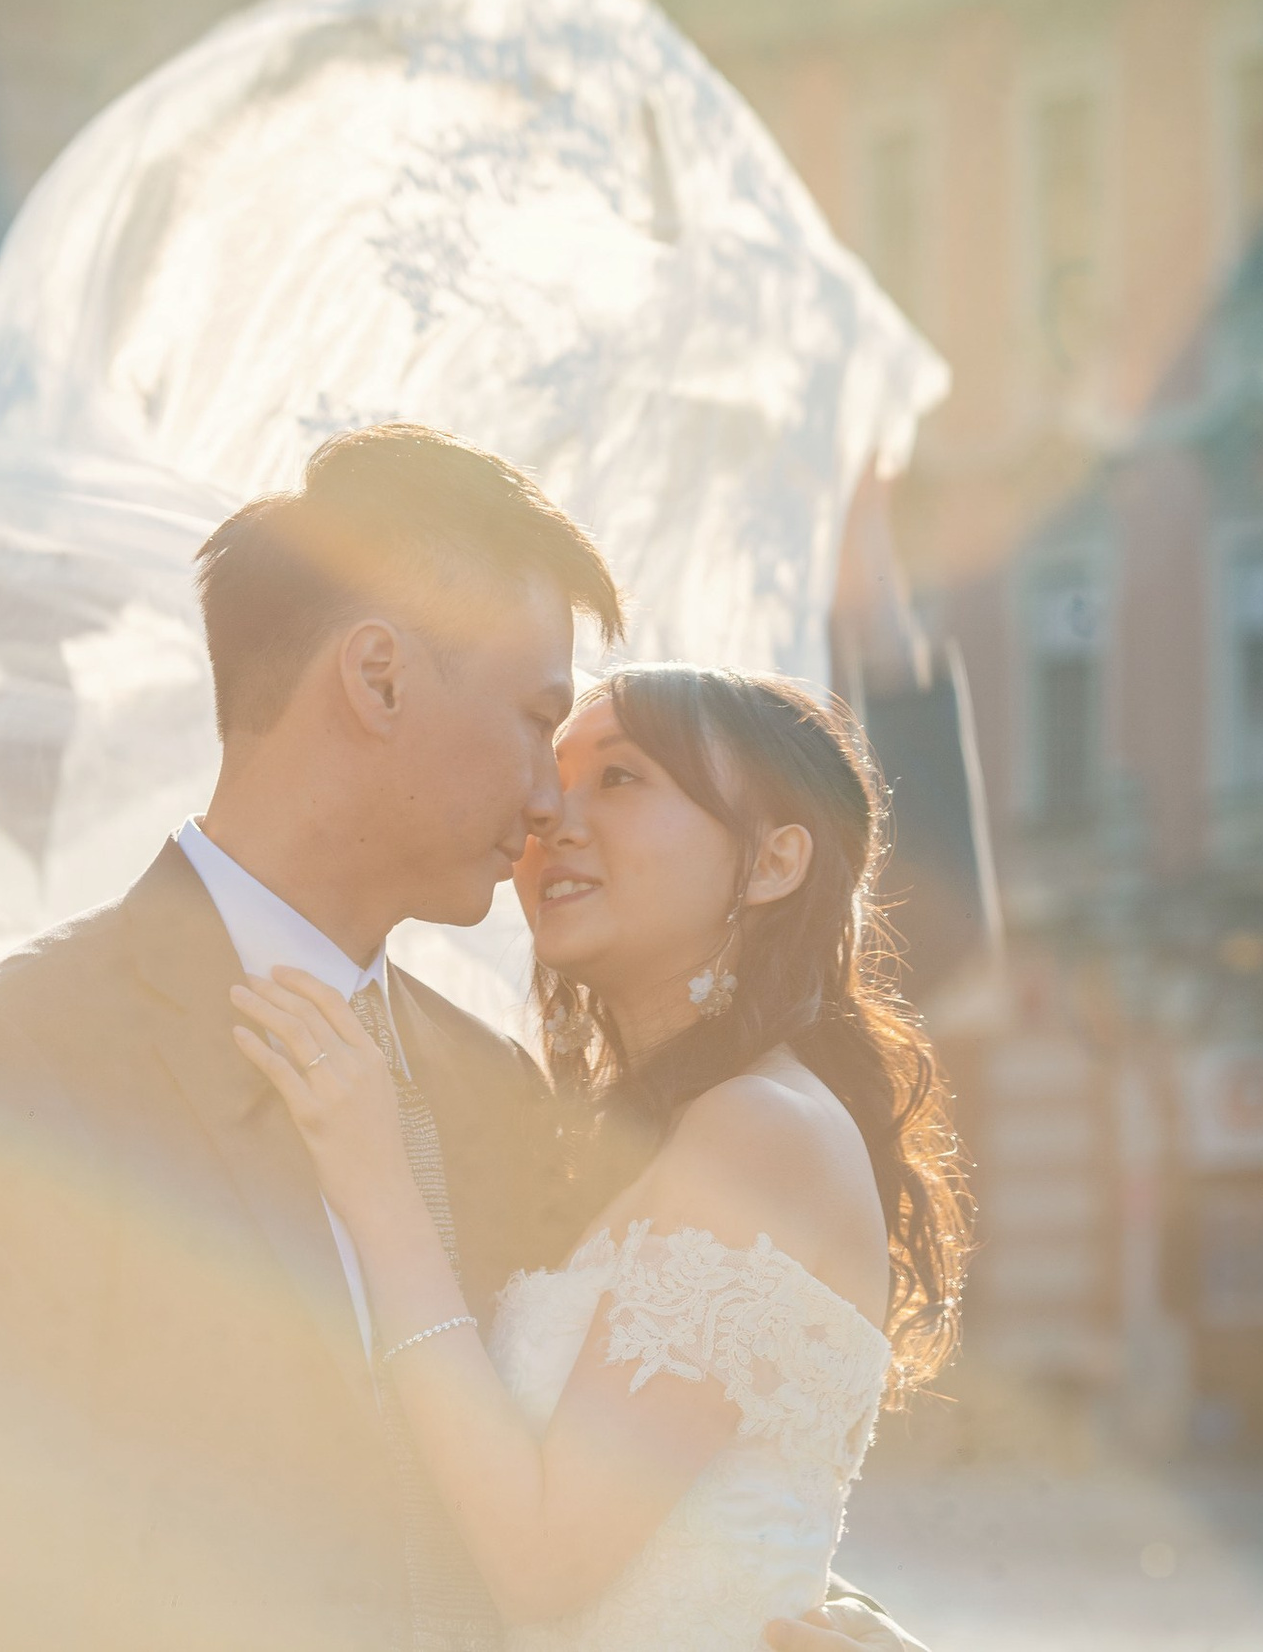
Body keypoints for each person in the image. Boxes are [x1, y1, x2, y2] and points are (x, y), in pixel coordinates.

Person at [0, 426, 937, 1652]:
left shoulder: (493, 1091)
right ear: (375, 679)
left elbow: (648, 1495)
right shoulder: (14, 1076)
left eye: (609, 773)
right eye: (540, 722)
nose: (548, 803)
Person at [233, 664, 966, 1650]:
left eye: (620, 780)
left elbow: (547, 1562)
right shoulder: (630, 1132)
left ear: (772, 862)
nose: (552, 816)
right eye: (553, 778)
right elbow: (715, 1520)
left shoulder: (764, 1130)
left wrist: (374, 1179)